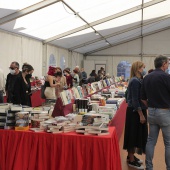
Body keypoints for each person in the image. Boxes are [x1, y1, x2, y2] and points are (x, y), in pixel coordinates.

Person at [141, 55, 170, 170]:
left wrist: (151, 107)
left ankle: (149, 167)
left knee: (151, 141)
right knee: (168, 143)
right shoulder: (167, 77)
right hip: (165, 112)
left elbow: (142, 98)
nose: (168, 65)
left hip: (151, 112)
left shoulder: (147, 77)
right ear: (163, 64)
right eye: (167, 63)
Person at [123, 61, 148, 170]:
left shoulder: (138, 80)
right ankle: (131, 159)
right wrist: (141, 114)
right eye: (143, 68)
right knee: (133, 134)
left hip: (137, 111)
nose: (144, 69)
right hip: (135, 112)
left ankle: (131, 155)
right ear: (138, 69)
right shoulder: (135, 81)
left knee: (137, 134)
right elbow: (135, 99)